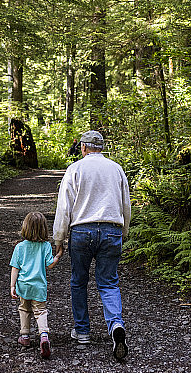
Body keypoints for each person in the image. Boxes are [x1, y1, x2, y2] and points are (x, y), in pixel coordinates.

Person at [52, 130, 131, 361]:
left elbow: (64, 207)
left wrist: (59, 239)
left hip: (81, 231)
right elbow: (125, 204)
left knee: (79, 281)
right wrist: (124, 231)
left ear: (83, 147)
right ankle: (116, 325)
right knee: (108, 282)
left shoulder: (75, 169)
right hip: (111, 229)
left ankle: (83, 332)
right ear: (101, 148)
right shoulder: (116, 169)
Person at [10, 211, 60, 359]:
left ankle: (25, 336)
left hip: (23, 285)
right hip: (39, 286)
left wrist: (12, 286)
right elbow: (49, 265)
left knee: (24, 309)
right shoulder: (45, 246)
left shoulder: (20, 247)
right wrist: (58, 255)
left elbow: (15, 268)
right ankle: (43, 336)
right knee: (40, 311)